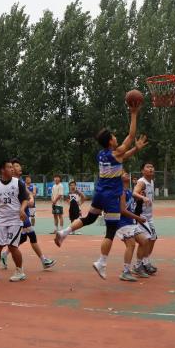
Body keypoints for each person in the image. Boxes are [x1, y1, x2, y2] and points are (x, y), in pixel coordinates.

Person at [54, 101, 147, 247]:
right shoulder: (115, 153)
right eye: (114, 136)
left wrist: (135, 149)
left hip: (99, 193)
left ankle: (64, 232)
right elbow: (131, 136)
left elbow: (122, 156)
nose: (116, 138)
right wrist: (134, 114)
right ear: (110, 141)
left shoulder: (101, 154)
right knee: (110, 231)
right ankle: (102, 260)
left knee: (89, 218)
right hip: (110, 196)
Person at [93, 172, 150, 281]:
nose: (127, 174)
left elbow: (129, 205)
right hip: (122, 222)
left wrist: (140, 198)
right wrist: (138, 218)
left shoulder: (128, 191)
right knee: (131, 244)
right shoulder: (121, 192)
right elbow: (122, 210)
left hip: (130, 222)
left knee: (144, 241)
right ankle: (125, 272)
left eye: (127, 173)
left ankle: (138, 267)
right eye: (124, 174)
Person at [1, 159, 56, 270]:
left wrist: (30, 198)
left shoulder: (20, 181)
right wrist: (27, 201)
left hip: (24, 213)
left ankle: (5, 254)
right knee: (32, 236)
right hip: (19, 215)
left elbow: (28, 193)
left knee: (23, 238)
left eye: (19, 165)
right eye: (16, 166)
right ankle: (43, 260)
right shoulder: (12, 183)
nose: (19, 167)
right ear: (11, 169)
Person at [0, 160, 28, 282]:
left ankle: (19, 271)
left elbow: (25, 199)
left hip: (15, 219)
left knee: (12, 245)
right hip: (0, 220)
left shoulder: (18, 183)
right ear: (2, 170)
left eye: (12, 167)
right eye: (9, 167)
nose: (12, 169)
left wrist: (22, 209)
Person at [133, 162, 158, 274]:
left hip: (149, 216)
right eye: (148, 167)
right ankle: (138, 265)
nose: (151, 168)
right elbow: (134, 193)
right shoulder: (141, 182)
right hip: (140, 215)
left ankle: (145, 262)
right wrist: (143, 198)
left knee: (153, 238)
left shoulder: (151, 181)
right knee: (145, 239)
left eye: (152, 166)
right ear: (143, 171)